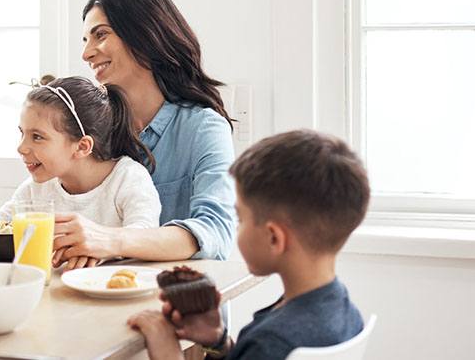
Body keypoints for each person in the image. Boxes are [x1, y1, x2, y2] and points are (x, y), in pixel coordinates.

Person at [127, 130, 367, 360]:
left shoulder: (271, 343)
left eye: (240, 219)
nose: (236, 228)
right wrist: (219, 343)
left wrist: (168, 352)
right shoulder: (344, 310)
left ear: (274, 238)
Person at [53, 0, 238, 267]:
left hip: (179, 305)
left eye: (100, 35)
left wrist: (111, 239)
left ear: (144, 35)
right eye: (85, 41)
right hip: (101, 298)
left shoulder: (203, 128)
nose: (86, 53)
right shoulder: (93, 132)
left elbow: (216, 232)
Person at [0, 76, 160, 269]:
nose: (21, 148)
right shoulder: (37, 189)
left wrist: (102, 246)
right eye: (22, 133)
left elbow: (145, 234)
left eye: (37, 137)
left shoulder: (128, 178)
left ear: (81, 147)